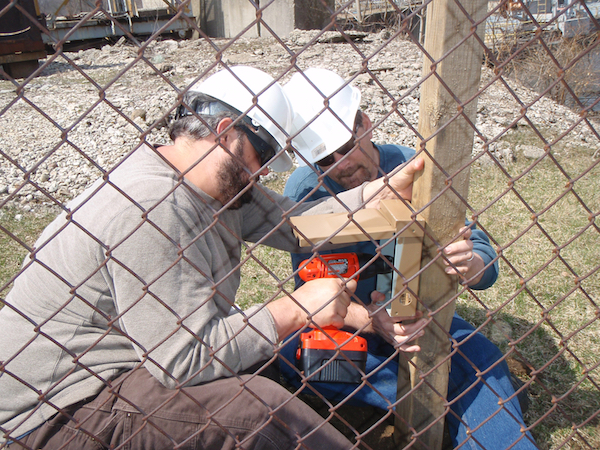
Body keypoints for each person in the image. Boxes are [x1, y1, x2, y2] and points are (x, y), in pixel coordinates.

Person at [0, 66, 428, 450]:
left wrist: (383, 189)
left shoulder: (214, 187)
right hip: (60, 411)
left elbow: (297, 223)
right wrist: (295, 309)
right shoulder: (155, 205)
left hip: (127, 368)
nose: (262, 174)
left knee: (263, 363)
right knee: (257, 411)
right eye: (262, 158)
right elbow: (184, 361)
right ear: (226, 133)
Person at [279, 68, 537, 450]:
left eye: (347, 147)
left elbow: (483, 255)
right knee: (299, 356)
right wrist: (372, 321)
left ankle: (460, 397)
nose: (341, 165)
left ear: (365, 124)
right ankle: (454, 397)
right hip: (352, 324)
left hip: (422, 317)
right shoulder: (304, 189)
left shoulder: (413, 167)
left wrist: (470, 264)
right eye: (324, 160)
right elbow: (309, 291)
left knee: (480, 352)